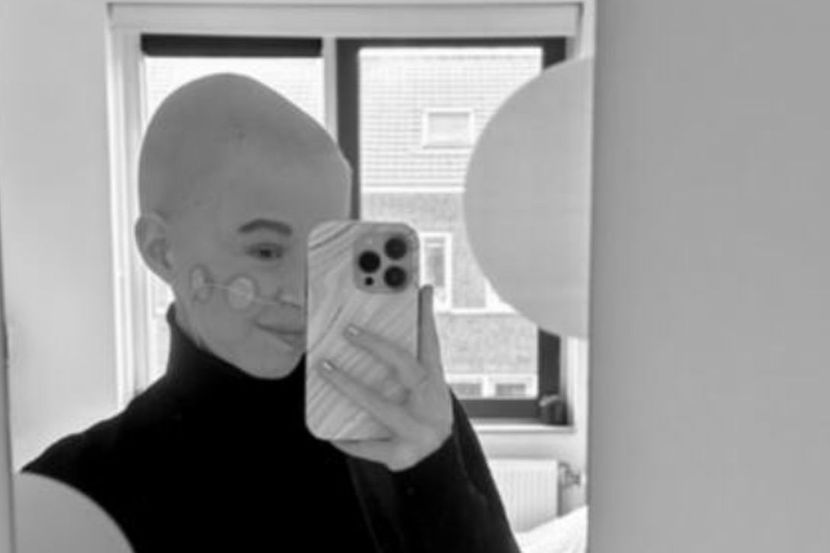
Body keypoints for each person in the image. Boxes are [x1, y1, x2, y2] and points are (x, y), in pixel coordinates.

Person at [24, 74, 519, 552]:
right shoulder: (71, 492)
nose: (305, 293)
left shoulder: (401, 422)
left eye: (325, 249)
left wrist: (434, 476)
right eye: (266, 251)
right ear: (160, 250)